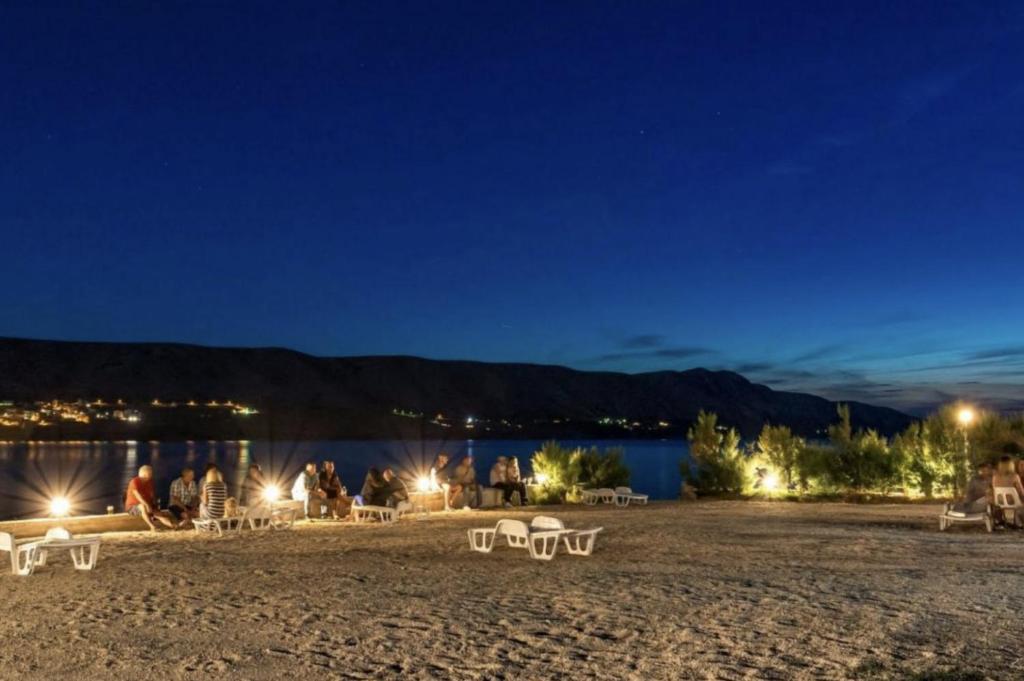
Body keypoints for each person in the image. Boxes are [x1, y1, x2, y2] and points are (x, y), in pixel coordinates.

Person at [125, 465, 175, 531]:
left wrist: (154, 506)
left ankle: (172, 525)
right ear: (144, 473)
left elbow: (152, 495)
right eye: (150, 473)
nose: (151, 475)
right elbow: (138, 496)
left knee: (158, 514)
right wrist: (147, 505)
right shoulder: (134, 481)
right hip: (133, 507)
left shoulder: (150, 482)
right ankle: (152, 527)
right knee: (142, 506)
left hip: (147, 505)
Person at [992, 456, 1024, 527]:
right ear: (1011, 465)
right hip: (1013, 502)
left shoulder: (995, 477)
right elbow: (1021, 493)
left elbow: (994, 491)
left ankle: (1003, 521)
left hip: (999, 503)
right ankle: (1018, 521)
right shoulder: (1015, 476)